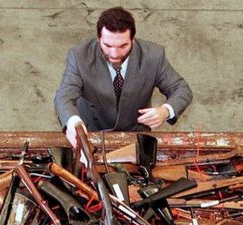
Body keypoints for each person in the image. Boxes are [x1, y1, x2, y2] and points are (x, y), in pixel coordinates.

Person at [54, 7, 193, 147]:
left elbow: (181, 89)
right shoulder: (79, 56)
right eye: (107, 45)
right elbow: (64, 96)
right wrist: (73, 122)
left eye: (123, 46)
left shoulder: (154, 56)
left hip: (136, 135)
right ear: (98, 39)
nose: (114, 54)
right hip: (90, 135)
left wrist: (165, 111)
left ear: (133, 40)